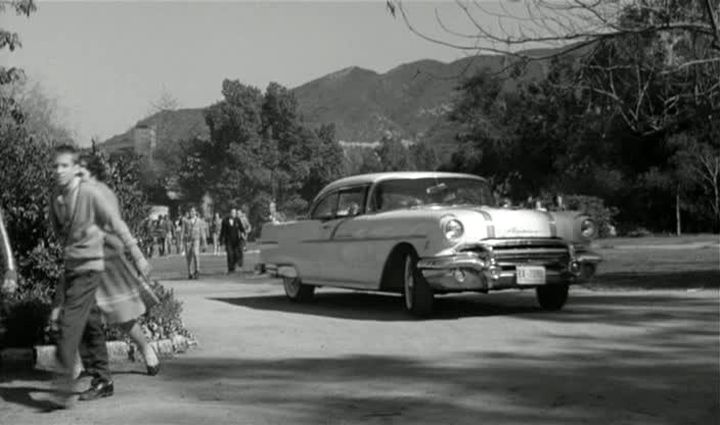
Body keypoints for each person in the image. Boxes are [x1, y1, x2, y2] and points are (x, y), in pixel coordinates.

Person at [48, 145, 150, 408]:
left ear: (75, 168)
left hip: (92, 267)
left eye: (64, 166)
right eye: (55, 166)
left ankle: (61, 386)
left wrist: (136, 253)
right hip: (73, 267)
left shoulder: (93, 193)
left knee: (70, 322)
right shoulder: (57, 197)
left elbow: (116, 223)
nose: (59, 171)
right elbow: (60, 231)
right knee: (90, 325)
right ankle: (103, 380)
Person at [77, 154, 160, 377]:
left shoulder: (104, 196)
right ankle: (80, 364)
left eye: (82, 172)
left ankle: (146, 349)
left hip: (110, 262)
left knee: (122, 316)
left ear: (93, 174)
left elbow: (119, 226)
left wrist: (138, 255)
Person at [182, 207, 207, 279]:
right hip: (188, 240)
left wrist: (204, 241)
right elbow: (183, 231)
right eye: (191, 211)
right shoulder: (186, 221)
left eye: (193, 211)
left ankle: (197, 270)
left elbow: (202, 231)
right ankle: (190, 272)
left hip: (196, 239)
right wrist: (182, 240)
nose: (192, 213)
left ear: (196, 212)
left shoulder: (199, 221)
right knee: (189, 256)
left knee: (196, 254)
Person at [219, 208, 244, 273]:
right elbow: (222, 231)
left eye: (235, 213)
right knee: (230, 254)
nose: (234, 214)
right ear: (230, 213)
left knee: (236, 254)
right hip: (228, 241)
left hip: (236, 240)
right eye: (232, 213)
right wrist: (221, 240)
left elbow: (241, 228)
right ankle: (230, 268)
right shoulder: (225, 221)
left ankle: (234, 266)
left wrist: (243, 233)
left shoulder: (237, 220)